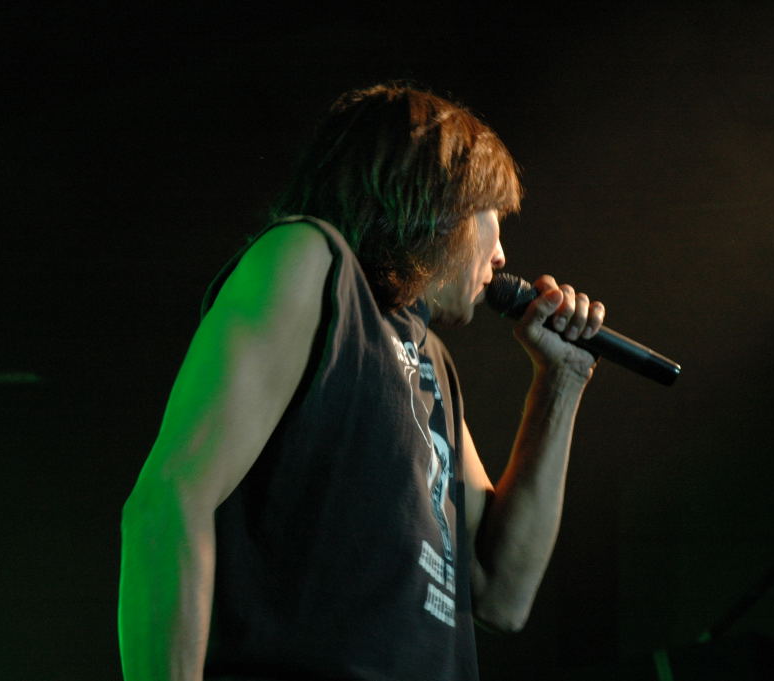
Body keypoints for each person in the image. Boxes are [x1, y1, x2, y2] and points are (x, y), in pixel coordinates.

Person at [118, 83, 605, 681]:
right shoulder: (308, 260)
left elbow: (504, 596)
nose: (501, 255)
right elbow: (170, 498)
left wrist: (561, 381)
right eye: (492, 218)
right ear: (436, 197)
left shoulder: (432, 361)